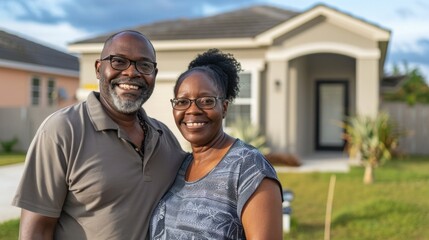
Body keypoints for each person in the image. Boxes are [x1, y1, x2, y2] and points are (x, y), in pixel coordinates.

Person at [12, 30, 186, 239]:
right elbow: (37, 230)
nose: (132, 72)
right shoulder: (62, 131)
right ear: (98, 68)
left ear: (154, 75)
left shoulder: (164, 138)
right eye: (119, 61)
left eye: (144, 65)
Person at [149, 48, 283, 239]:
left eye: (206, 101)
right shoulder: (179, 167)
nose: (192, 110)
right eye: (182, 101)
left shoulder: (248, 168)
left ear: (224, 107)